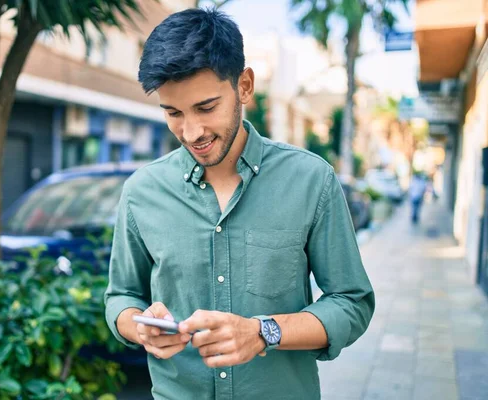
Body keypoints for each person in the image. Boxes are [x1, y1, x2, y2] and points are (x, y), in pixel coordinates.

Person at [104, 8, 374, 400]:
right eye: (173, 113)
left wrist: (264, 332)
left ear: (244, 86)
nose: (191, 132)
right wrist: (137, 326)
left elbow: (352, 302)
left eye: (206, 107)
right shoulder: (141, 191)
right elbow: (121, 297)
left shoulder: (311, 180)